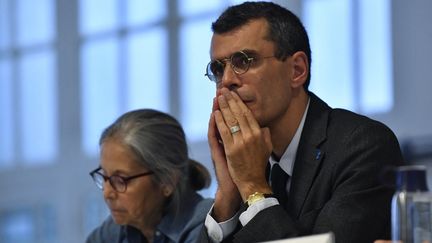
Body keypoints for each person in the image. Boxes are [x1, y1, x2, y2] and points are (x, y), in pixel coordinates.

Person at [200, 2, 404, 243]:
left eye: (244, 60)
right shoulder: (247, 162)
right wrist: (228, 195)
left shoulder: (364, 146)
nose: (227, 80)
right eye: (217, 67)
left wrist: (254, 189)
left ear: (297, 70)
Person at [86, 109, 213, 243]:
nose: (107, 193)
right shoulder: (115, 230)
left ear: (167, 180)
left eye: (120, 180)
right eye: (104, 176)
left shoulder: (208, 229)